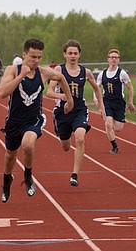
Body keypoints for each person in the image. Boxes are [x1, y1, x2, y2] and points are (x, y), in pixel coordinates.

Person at [0, 38, 74, 203]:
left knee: (28, 144)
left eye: (39, 57)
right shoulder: (13, 70)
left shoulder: (44, 72)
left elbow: (61, 78)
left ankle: (28, 175)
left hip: (33, 120)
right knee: (10, 155)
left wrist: (69, 100)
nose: (36, 60)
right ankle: (6, 181)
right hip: (13, 122)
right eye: (32, 57)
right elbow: (2, 93)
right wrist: (21, 76)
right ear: (24, 54)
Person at [46, 39, 106, 187]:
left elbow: (97, 88)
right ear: (65, 54)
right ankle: (59, 128)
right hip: (63, 111)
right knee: (65, 146)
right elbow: (49, 91)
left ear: (79, 55)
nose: (73, 56)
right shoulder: (59, 71)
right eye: (70, 53)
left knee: (80, 139)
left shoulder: (86, 72)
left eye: (75, 53)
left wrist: (102, 106)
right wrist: (62, 97)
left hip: (79, 109)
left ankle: (74, 175)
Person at [94, 48, 136, 154]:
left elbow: (130, 88)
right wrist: (95, 98)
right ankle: (114, 146)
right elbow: (96, 88)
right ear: (108, 59)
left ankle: (113, 117)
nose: (114, 59)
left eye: (116, 58)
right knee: (108, 124)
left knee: (118, 128)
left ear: (118, 60)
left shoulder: (122, 73)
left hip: (119, 103)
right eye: (112, 57)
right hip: (107, 102)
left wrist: (131, 102)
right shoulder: (102, 74)